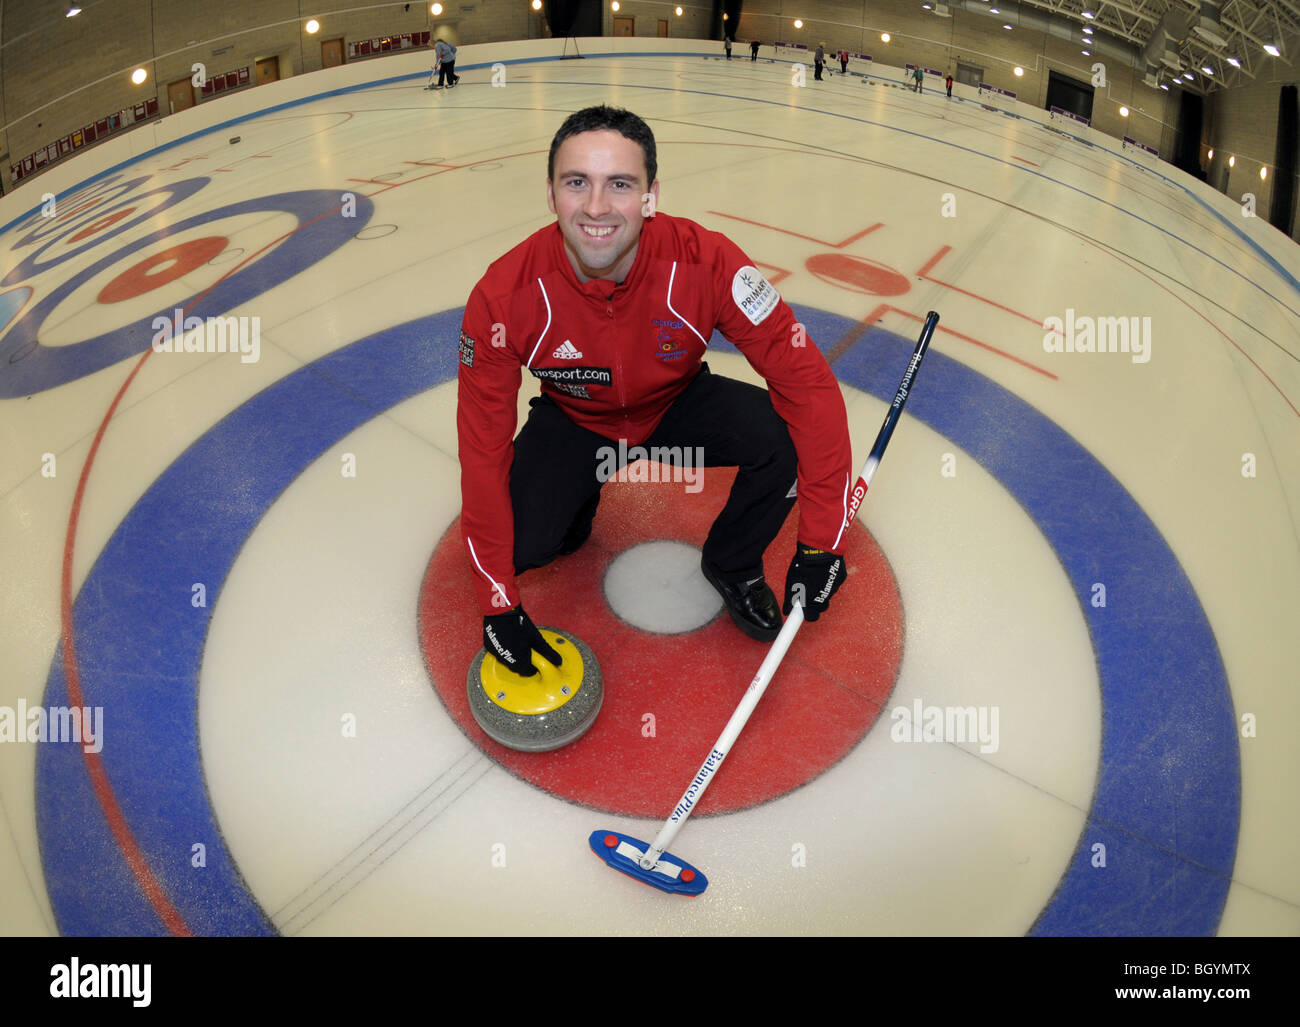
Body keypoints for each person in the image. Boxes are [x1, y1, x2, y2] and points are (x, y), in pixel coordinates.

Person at [457, 106, 851, 675]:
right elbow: (482, 451)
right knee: (527, 548)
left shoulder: (709, 263)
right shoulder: (501, 297)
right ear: (550, 194)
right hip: (577, 422)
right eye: (576, 183)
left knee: (785, 435)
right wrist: (498, 603)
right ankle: (577, 505)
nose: (596, 208)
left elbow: (808, 384)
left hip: (675, 406)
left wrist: (821, 543)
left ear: (650, 196)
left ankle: (733, 562)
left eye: (620, 184)